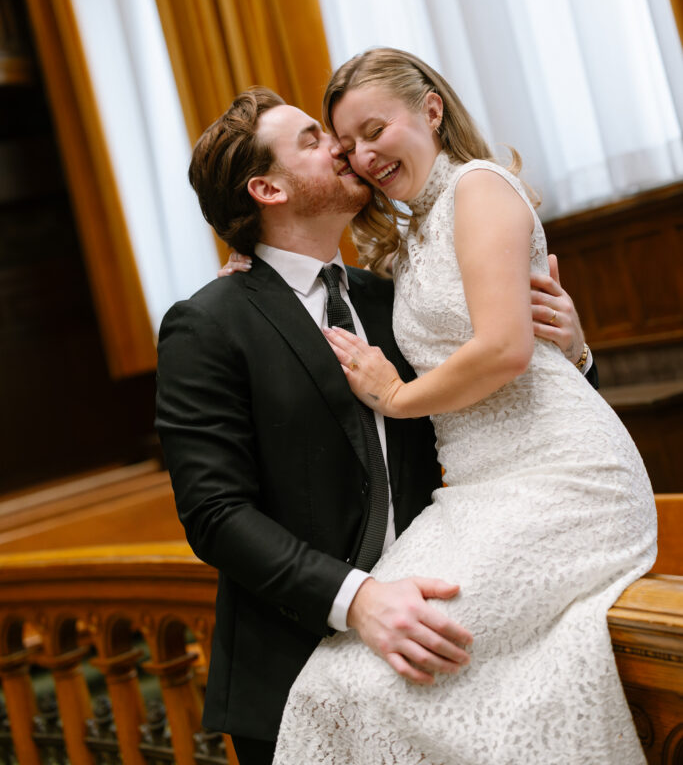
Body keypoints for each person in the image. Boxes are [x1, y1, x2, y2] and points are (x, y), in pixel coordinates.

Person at [155, 86, 595, 765]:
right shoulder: (209, 324)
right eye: (310, 139)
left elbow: (519, 412)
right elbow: (213, 513)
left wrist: (571, 351)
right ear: (266, 188)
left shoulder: (393, 300)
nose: (340, 147)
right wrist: (356, 600)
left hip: (434, 642)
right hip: (294, 669)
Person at [271, 48, 657, 765]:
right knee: (334, 679)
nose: (361, 154)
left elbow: (507, 351)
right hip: (475, 496)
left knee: (383, 672)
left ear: (431, 109)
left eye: (373, 129)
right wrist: (249, 258)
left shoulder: (480, 188)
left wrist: (396, 395)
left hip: (561, 482)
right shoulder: (410, 237)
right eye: (347, 144)